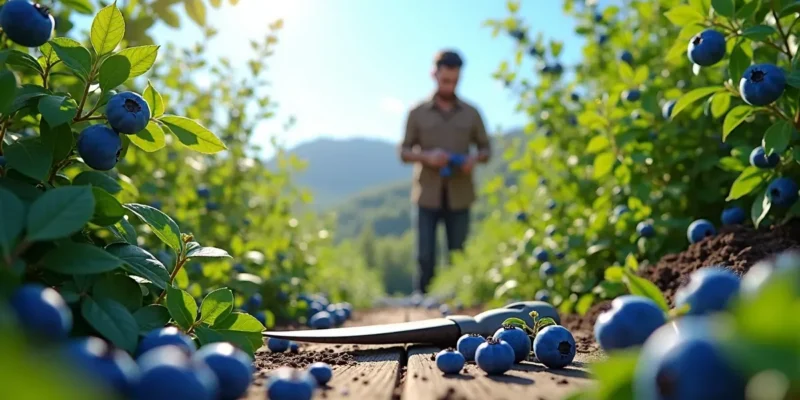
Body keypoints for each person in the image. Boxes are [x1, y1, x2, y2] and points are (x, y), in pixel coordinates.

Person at [399, 49, 491, 294]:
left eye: (455, 80)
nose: (450, 85)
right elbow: (404, 151)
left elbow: (486, 149)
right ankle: (423, 307)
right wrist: (427, 157)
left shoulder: (472, 113)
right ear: (434, 74)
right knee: (425, 255)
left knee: (458, 256)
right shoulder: (416, 112)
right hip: (426, 194)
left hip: (460, 194)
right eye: (445, 80)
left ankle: (457, 305)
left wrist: (474, 159)